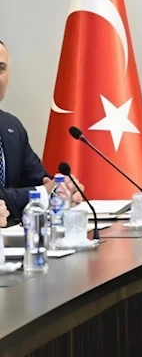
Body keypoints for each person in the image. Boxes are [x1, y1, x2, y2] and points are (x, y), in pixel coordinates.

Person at [0, 39, 84, 222]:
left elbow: (40, 181)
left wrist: (62, 190)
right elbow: (40, 191)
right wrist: (44, 193)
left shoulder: (11, 127)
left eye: (1, 69)